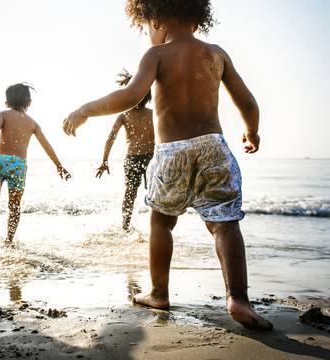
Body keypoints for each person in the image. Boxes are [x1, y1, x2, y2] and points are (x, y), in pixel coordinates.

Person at [62, 0, 272, 330]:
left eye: (146, 26)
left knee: (161, 222)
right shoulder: (216, 53)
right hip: (214, 147)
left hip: (171, 151)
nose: (147, 32)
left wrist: (86, 109)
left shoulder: (156, 55)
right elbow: (246, 101)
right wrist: (251, 131)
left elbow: (131, 96)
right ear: (196, 17)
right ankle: (238, 299)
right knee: (225, 224)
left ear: (155, 17)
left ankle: (159, 292)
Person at [0, 83, 71, 246]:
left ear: (7, 102)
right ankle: (9, 240)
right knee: (14, 207)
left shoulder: (2, 114)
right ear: (28, 103)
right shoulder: (32, 123)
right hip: (19, 165)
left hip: (0, 159)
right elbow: (46, 146)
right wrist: (59, 165)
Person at [96, 69, 154, 230]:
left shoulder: (149, 114)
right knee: (134, 192)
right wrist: (104, 160)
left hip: (149, 158)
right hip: (138, 158)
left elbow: (111, 138)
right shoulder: (126, 115)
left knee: (145, 193)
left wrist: (105, 161)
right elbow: (110, 138)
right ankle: (126, 226)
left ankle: (145, 227)